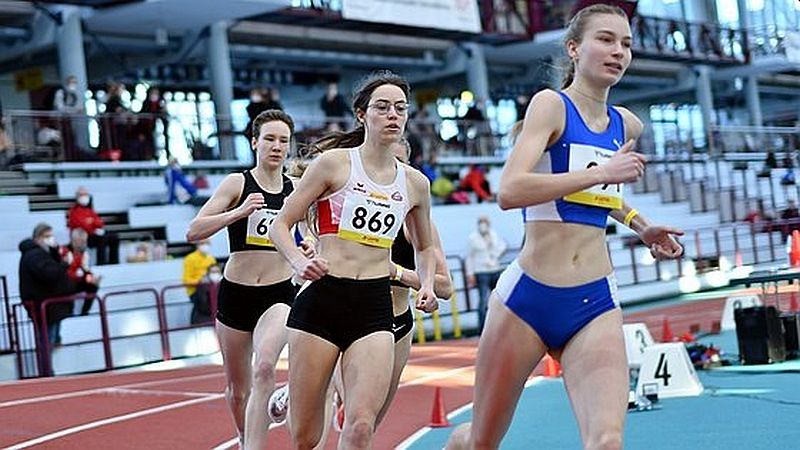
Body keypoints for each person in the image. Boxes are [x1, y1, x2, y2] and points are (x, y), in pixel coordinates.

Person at [447, 5, 684, 449]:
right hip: (527, 299)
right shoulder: (551, 106)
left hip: (594, 300)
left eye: (627, 44)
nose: (619, 51)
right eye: (606, 40)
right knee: (480, 442)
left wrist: (640, 224)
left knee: (607, 441)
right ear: (574, 49)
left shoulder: (626, 124)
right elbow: (510, 190)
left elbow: (598, 196)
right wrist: (601, 173)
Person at [268, 70, 437, 450]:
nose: (393, 115)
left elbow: (426, 248)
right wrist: (297, 260)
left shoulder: (415, 184)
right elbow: (282, 224)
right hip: (322, 302)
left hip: (375, 308)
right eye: (382, 107)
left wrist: (425, 284)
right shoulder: (333, 164)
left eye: (400, 108)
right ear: (361, 114)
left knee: (361, 426)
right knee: (305, 436)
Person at [186, 109, 312, 449]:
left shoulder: (296, 188)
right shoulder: (238, 183)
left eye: (283, 141)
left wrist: (309, 244)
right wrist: (239, 212)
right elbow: (194, 230)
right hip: (236, 294)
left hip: (278, 293)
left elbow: (305, 232)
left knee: (265, 367)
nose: (277, 146)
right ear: (255, 142)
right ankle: (246, 439)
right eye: (269, 139)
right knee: (237, 389)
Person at [18, 223, 75, 359]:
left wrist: (55, 252)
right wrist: (65, 264)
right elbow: (49, 273)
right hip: (44, 306)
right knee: (47, 341)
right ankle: (47, 373)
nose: (51, 239)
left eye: (51, 236)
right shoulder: (34, 255)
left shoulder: (42, 253)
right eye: (47, 236)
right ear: (38, 238)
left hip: (51, 307)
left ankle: (49, 371)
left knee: (52, 339)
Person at [465, 215, 506, 334]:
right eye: (481, 222)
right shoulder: (472, 238)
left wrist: (496, 256)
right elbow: (469, 257)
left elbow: (501, 247)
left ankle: (499, 326)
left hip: (494, 269)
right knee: (483, 300)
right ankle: (482, 329)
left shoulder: (493, 234)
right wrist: (470, 274)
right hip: (481, 271)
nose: (483, 225)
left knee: (499, 299)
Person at [67, 186, 119, 265]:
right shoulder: (74, 211)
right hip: (83, 237)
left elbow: (100, 223)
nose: (84, 197)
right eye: (82, 195)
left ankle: (114, 262)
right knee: (102, 239)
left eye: (86, 194)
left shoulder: (90, 210)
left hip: (93, 234)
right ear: (77, 197)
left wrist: (91, 222)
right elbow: (82, 226)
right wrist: (92, 224)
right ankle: (101, 263)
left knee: (114, 237)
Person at [60, 228, 101, 316]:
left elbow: (85, 270)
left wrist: (91, 278)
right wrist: (82, 276)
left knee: (93, 285)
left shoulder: (84, 253)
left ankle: (85, 312)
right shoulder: (64, 251)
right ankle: (68, 313)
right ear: (74, 240)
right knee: (68, 285)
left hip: (76, 280)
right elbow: (64, 271)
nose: (83, 243)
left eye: (84, 241)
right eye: (81, 241)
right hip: (65, 281)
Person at [182, 239, 217, 310]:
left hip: (210, 289)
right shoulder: (190, 259)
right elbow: (186, 280)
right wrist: (200, 281)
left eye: (207, 243)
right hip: (195, 292)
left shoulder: (211, 259)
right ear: (197, 245)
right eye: (202, 243)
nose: (205, 245)